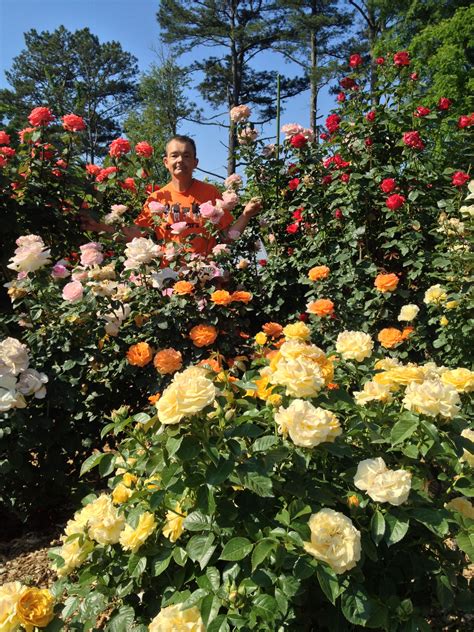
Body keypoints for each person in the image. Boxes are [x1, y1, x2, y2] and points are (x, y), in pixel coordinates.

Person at [134, 135, 262, 255]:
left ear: (195, 162)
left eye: (186, 156)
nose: (180, 160)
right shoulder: (156, 198)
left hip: (205, 273)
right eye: (174, 155)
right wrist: (116, 222)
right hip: (168, 275)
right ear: (166, 162)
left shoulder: (210, 193)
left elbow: (227, 237)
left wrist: (246, 215)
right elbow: (136, 235)